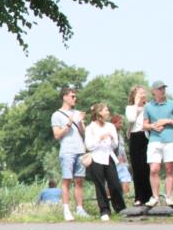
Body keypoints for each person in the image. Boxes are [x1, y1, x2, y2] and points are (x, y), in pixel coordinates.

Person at [143, 81, 173, 207]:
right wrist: (153, 126)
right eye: (160, 89)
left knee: (169, 169)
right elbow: (144, 125)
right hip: (154, 140)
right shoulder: (148, 106)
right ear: (154, 91)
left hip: (170, 140)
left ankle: (169, 197)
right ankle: (155, 197)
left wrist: (168, 121)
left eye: (163, 88)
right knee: (154, 169)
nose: (162, 91)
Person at [51, 85, 89, 221]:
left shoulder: (78, 113)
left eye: (75, 96)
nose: (75, 98)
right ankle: (66, 209)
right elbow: (57, 135)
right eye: (72, 96)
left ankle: (80, 208)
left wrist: (80, 123)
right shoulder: (56, 115)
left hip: (80, 150)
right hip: (67, 151)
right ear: (64, 97)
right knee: (66, 180)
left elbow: (84, 133)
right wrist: (69, 123)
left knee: (79, 181)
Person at [84, 103, 127, 221]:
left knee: (115, 184)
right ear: (99, 113)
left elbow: (114, 145)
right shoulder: (90, 128)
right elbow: (89, 146)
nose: (108, 112)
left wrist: (113, 139)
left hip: (109, 156)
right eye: (106, 110)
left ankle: (120, 208)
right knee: (100, 185)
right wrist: (100, 138)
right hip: (96, 158)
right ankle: (104, 210)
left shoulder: (110, 126)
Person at [125, 85, 152, 205]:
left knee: (147, 167)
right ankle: (139, 197)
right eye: (139, 93)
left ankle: (149, 196)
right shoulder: (130, 108)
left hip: (147, 136)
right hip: (135, 137)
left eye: (143, 93)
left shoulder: (149, 107)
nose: (142, 95)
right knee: (137, 168)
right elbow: (131, 119)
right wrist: (136, 104)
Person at [110, 114, 132, 197]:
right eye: (120, 123)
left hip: (122, 164)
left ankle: (125, 199)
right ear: (114, 123)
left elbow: (122, 150)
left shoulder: (120, 135)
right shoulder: (109, 135)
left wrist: (125, 161)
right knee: (110, 183)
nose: (121, 125)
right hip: (112, 163)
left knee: (126, 181)